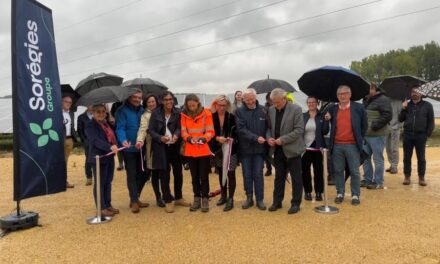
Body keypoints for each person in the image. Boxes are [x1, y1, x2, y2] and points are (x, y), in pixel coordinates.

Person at [148, 92, 191, 213]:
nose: (168, 102)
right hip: (161, 148)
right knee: (164, 174)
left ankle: (178, 197)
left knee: (178, 173)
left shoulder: (178, 112)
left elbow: (179, 127)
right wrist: (160, 138)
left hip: (175, 147)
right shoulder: (156, 113)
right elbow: (151, 130)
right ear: (162, 101)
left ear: (173, 100)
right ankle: (167, 200)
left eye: (170, 99)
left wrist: (177, 135)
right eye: (166, 99)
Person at [325, 85, 367, 206]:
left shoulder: (359, 108)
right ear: (337, 96)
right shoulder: (332, 108)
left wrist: (359, 138)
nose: (342, 96)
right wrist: (327, 118)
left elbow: (364, 126)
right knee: (338, 171)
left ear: (350, 94)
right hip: (337, 145)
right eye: (340, 94)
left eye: (345, 93)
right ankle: (340, 193)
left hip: (352, 145)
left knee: (354, 171)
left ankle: (355, 195)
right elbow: (325, 122)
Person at [266, 88, 305, 214]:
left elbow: (299, 130)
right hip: (277, 150)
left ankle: (295, 203)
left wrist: (283, 140)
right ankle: (277, 202)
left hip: (292, 149)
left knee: (296, 178)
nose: (275, 105)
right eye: (273, 102)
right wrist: (269, 138)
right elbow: (269, 128)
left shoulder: (296, 109)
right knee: (279, 177)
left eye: (277, 102)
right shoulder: (271, 110)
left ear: (284, 99)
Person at [115, 89, 149, 213]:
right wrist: (123, 140)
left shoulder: (142, 111)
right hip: (128, 148)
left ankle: (135, 196)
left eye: (139, 97)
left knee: (145, 173)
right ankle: (134, 200)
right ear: (129, 97)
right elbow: (120, 128)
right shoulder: (122, 111)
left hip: (141, 148)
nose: (137, 99)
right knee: (132, 175)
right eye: (134, 97)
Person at [181, 94, 215, 213]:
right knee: (194, 177)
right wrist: (189, 139)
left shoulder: (206, 113)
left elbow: (211, 131)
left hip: (203, 149)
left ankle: (205, 198)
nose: (192, 108)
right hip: (190, 150)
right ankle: (197, 198)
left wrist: (205, 138)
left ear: (198, 103)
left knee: (204, 176)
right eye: (189, 106)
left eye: (193, 105)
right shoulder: (183, 115)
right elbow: (183, 131)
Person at [235, 88, 268, 210]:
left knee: (258, 174)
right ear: (243, 99)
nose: (250, 102)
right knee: (247, 174)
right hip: (245, 150)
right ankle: (249, 198)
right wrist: (255, 138)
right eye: (247, 99)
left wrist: (268, 139)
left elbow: (268, 128)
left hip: (260, 150)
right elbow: (241, 130)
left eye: (252, 99)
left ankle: (260, 199)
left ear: (256, 97)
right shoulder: (239, 111)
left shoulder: (264, 110)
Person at [85, 104, 120, 217]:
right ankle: (101, 207)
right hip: (98, 157)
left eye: (103, 112)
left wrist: (112, 122)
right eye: (98, 112)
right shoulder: (90, 125)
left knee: (108, 182)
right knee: (100, 183)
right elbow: (94, 140)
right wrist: (109, 147)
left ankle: (108, 204)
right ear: (93, 113)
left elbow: (112, 136)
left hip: (109, 156)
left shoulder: (106, 123)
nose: (101, 114)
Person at [398, 86, 434, 186]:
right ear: (410, 93)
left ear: (421, 93)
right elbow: (400, 119)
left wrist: (427, 134)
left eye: (417, 91)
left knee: (421, 158)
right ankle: (407, 177)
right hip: (408, 135)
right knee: (406, 157)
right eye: (413, 91)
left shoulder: (428, 105)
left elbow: (431, 122)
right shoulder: (407, 105)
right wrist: (403, 108)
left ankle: (421, 178)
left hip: (421, 135)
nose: (414, 93)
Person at [135, 94, 166, 208]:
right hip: (151, 146)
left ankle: (165, 194)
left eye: (153, 101)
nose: (152, 104)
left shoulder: (162, 112)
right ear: (146, 104)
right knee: (154, 172)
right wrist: (139, 141)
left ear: (156, 102)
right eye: (149, 102)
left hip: (164, 145)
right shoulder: (145, 116)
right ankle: (158, 197)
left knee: (163, 172)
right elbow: (142, 130)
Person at [210, 95, 238, 212]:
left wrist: (230, 139)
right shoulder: (211, 117)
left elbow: (237, 133)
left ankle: (231, 199)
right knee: (221, 172)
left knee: (230, 173)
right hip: (217, 149)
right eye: (219, 105)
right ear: (215, 105)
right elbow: (208, 134)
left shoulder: (231, 116)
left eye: (224, 105)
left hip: (231, 149)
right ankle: (223, 195)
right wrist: (217, 138)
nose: (222, 107)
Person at [361, 84, 392, 189]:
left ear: (374, 89)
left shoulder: (384, 99)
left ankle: (378, 182)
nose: (366, 91)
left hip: (377, 134)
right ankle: (367, 179)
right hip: (366, 134)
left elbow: (388, 115)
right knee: (365, 158)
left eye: (368, 88)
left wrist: (375, 126)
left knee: (377, 159)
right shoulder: (366, 99)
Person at [301, 96, 329, 202]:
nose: (311, 104)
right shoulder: (303, 116)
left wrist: (326, 120)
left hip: (318, 148)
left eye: (313, 102)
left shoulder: (322, 116)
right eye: (309, 102)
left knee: (318, 171)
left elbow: (325, 131)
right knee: (305, 171)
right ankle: (307, 191)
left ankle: (318, 192)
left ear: (317, 103)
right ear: (307, 103)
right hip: (305, 148)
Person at [62, 95, 78, 188]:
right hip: (60, 141)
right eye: (66, 101)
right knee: (58, 161)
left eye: (70, 102)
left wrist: (73, 137)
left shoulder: (71, 113)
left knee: (65, 162)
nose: (68, 104)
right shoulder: (56, 113)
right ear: (61, 102)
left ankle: (64, 181)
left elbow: (71, 126)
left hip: (69, 140)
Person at [77, 106, 94, 186]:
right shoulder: (81, 117)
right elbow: (80, 130)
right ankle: (89, 177)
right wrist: (85, 140)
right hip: (88, 141)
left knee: (99, 158)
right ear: (87, 106)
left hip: (98, 141)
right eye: (90, 105)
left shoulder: (98, 115)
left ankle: (99, 176)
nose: (92, 106)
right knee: (88, 159)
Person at [386, 99, 403, 174]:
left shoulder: (399, 102)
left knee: (394, 148)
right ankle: (391, 164)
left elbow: (402, 116)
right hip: (386, 128)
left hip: (395, 128)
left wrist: (398, 126)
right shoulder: (385, 101)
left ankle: (394, 166)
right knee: (388, 148)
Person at [111, 102, 124, 171]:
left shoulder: (127, 103)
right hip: (118, 125)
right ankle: (120, 163)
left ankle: (126, 163)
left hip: (126, 127)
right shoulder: (115, 104)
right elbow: (112, 113)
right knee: (119, 147)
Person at [264, 92, 273, 176]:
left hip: (277, 131)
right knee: (267, 153)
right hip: (267, 131)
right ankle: (268, 169)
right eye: (270, 98)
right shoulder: (264, 108)